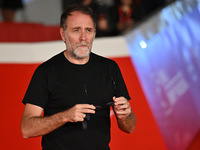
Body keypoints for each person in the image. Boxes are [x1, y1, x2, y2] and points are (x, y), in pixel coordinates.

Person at [21, 5, 136, 150]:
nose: (83, 37)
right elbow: (26, 129)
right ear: (63, 34)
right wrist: (65, 116)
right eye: (76, 30)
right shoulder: (45, 72)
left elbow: (129, 127)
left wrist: (125, 114)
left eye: (88, 30)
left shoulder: (110, 68)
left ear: (94, 33)